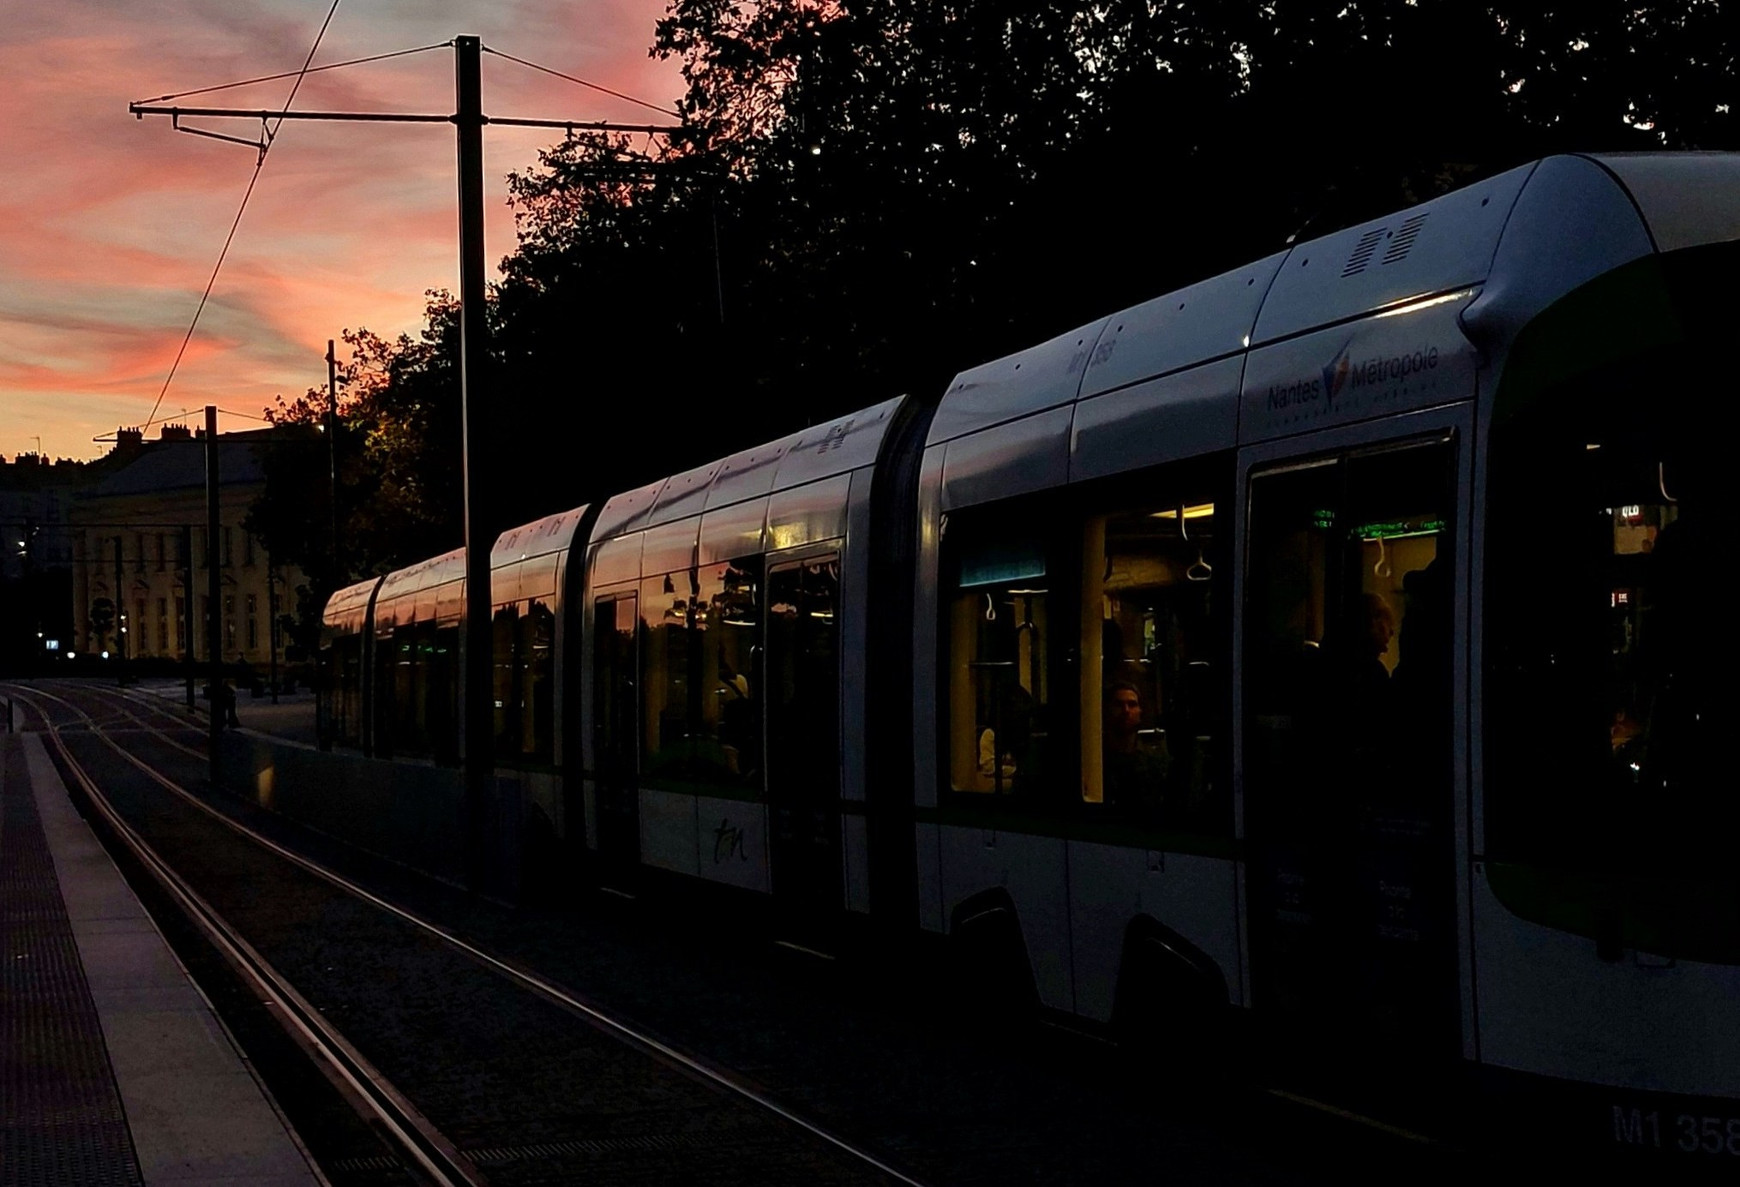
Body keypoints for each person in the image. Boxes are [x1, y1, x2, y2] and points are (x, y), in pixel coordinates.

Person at [1102, 681, 1168, 818]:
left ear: (1140, 711)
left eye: (1132, 705)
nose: (1126, 711)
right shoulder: (1095, 759)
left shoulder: (1153, 761)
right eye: (1119, 705)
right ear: (1107, 710)